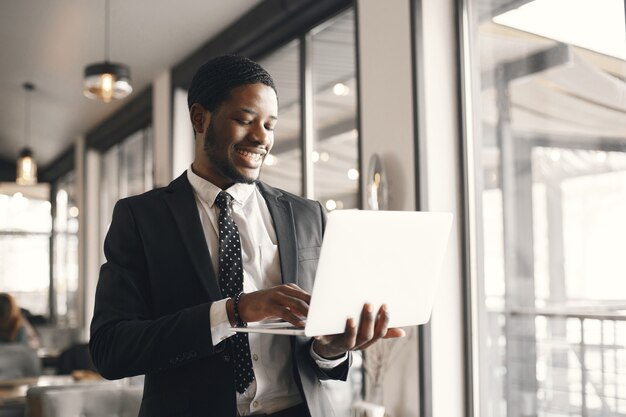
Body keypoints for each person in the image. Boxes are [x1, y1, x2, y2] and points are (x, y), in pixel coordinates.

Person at [89, 55, 404, 417]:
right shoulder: (141, 217)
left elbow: (318, 355)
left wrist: (332, 350)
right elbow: (111, 351)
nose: (261, 138)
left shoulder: (307, 214)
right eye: (244, 120)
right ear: (199, 118)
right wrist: (235, 311)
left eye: (269, 125)